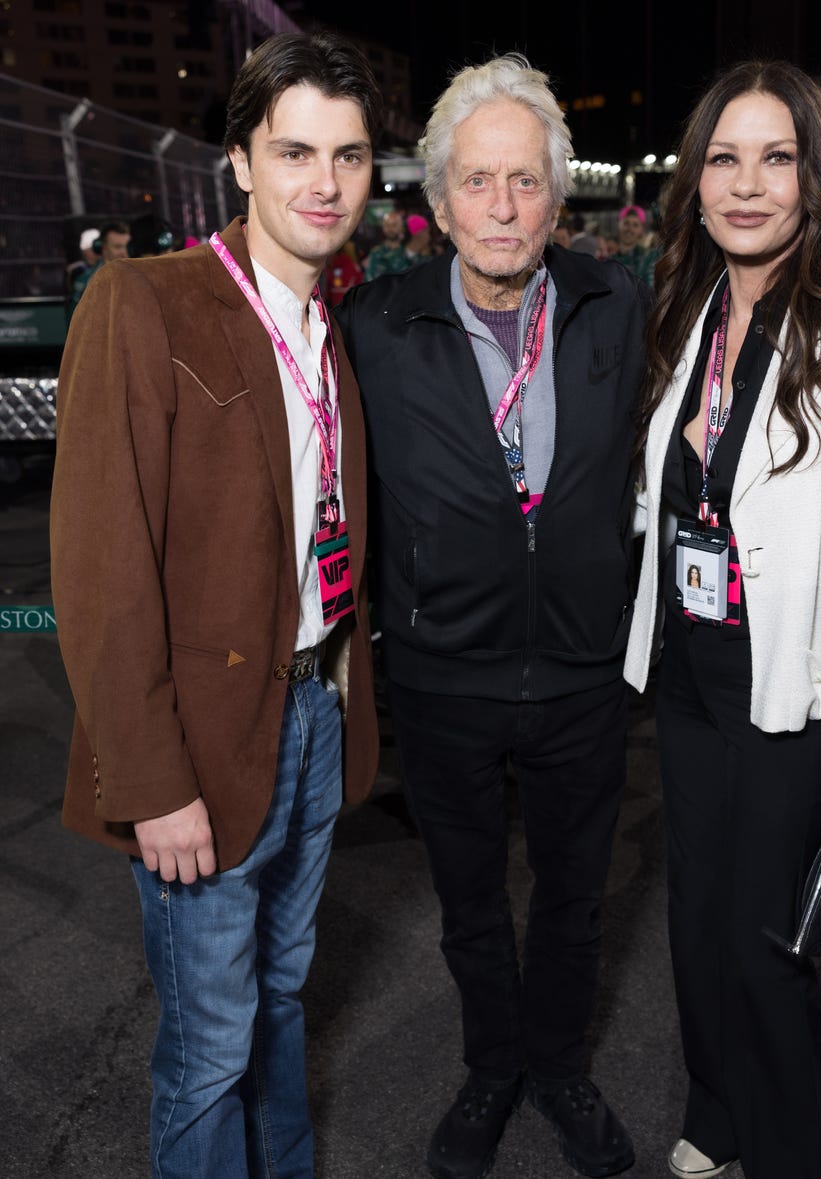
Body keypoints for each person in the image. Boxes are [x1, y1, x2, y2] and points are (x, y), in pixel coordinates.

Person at [50, 31, 381, 1178]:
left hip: (313, 719)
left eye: (346, 155)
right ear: (238, 162)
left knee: (282, 1002)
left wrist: (335, 706)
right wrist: (150, 782)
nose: (322, 182)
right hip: (199, 749)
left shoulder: (329, 325)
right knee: (208, 1051)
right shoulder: (145, 301)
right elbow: (100, 569)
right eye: (294, 151)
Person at [624, 60, 821, 1179]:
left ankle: (807, 1157)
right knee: (694, 919)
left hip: (793, 687)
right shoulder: (685, 308)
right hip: (689, 675)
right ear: (694, 181)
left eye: (775, 158)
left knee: (767, 954)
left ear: (814, 177)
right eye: (722, 158)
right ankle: (719, 1116)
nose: (746, 185)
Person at [335, 52, 647, 1179]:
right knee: (469, 908)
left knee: (572, 905)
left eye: (524, 182)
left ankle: (559, 1068)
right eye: (477, 182)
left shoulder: (622, 306)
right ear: (437, 198)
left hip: (579, 674)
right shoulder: (374, 325)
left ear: (559, 195)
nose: (502, 208)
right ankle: (489, 1069)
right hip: (442, 677)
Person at [66, 218, 130, 321]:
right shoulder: (84, 281)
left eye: (126, 246)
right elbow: (74, 323)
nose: (124, 253)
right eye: (118, 247)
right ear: (103, 248)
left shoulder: (139, 277)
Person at [606, 204, 659, 286]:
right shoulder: (609, 260)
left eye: (635, 225)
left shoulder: (648, 258)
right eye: (626, 223)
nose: (629, 229)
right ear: (618, 225)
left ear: (641, 230)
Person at [363, 207, 413, 279]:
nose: (390, 229)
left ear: (402, 227)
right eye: (387, 225)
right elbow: (369, 279)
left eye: (394, 225)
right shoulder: (376, 253)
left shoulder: (410, 251)